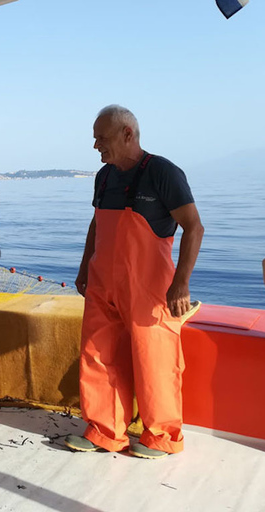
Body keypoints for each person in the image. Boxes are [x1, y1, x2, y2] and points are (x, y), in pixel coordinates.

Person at [66, 105, 204, 460]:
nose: (96, 146)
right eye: (95, 138)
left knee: (154, 358)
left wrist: (181, 283)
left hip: (149, 288)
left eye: (102, 137)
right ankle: (105, 431)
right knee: (97, 355)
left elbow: (194, 227)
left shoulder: (162, 172)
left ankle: (162, 436)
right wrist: (84, 269)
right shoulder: (104, 176)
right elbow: (97, 224)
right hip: (102, 284)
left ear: (128, 134)